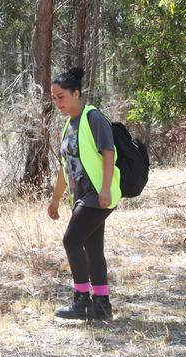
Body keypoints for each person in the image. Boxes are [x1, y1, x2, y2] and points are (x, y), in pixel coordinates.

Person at [47, 67, 121, 321]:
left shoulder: (93, 118)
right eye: (54, 98)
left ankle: (81, 300)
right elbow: (63, 165)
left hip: (98, 195)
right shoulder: (69, 124)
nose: (57, 102)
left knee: (71, 240)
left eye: (61, 97)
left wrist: (105, 189)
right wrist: (56, 198)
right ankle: (101, 305)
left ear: (76, 93)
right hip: (81, 197)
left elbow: (108, 152)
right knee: (93, 248)